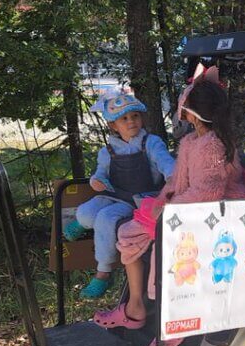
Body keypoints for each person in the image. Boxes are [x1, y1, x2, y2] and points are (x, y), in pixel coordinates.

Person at [94, 79, 245, 346]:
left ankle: (174, 327)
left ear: (193, 112)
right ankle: (136, 307)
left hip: (210, 216)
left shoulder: (213, 145)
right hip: (182, 209)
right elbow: (179, 180)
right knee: (129, 233)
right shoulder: (191, 141)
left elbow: (208, 192)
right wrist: (162, 200)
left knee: (165, 252)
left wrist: (169, 210)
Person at [63, 92, 174, 298]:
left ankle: (103, 272)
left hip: (139, 199)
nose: (131, 121)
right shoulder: (108, 151)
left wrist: (172, 176)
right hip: (114, 194)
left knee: (106, 218)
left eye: (135, 116)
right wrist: (95, 182)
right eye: (124, 118)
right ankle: (83, 222)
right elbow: (99, 174)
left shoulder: (151, 142)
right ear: (113, 125)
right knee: (86, 212)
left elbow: (165, 161)